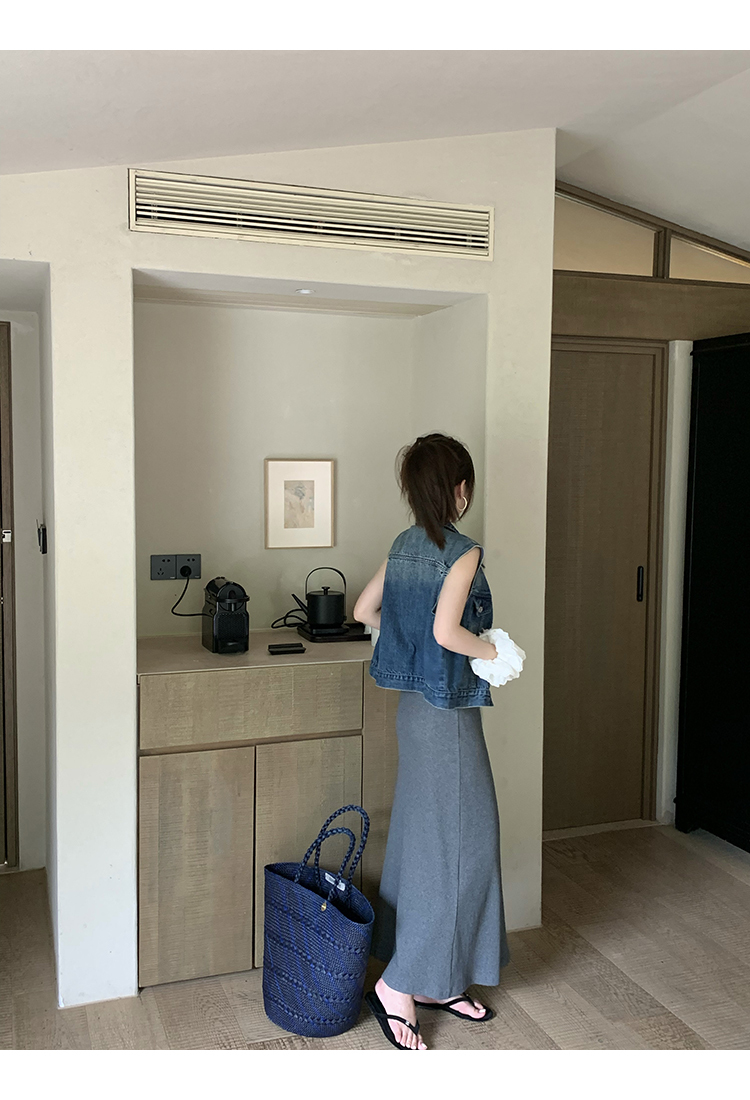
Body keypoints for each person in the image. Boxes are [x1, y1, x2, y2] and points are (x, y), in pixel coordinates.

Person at [353, 432, 510, 1052]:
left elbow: (365, 612)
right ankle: (398, 985)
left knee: (426, 842)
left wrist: (411, 639)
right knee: (465, 844)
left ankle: (435, 978)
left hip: (414, 712)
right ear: (460, 490)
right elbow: (448, 634)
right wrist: (492, 651)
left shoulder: (403, 546)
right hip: (447, 717)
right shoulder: (462, 551)